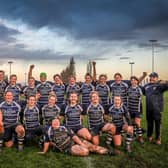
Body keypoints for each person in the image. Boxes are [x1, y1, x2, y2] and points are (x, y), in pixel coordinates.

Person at [38, 118, 109, 156]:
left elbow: (74, 136)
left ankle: (109, 152)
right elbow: (46, 143)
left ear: (59, 122)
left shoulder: (64, 127)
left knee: (94, 147)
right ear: (51, 124)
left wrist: (81, 143)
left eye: (57, 121)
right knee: (85, 151)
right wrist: (44, 152)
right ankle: (87, 149)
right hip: (68, 147)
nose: (56, 123)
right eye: (54, 122)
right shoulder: (48, 131)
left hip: (73, 141)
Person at [143, 72, 168, 145]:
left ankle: (158, 138)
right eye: (151, 77)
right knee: (149, 123)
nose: (152, 78)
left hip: (157, 109)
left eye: (153, 77)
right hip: (149, 108)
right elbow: (144, 93)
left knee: (157, 124)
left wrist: (165, 81)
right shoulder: (146, 86)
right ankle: (149, 136)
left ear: (157, 78)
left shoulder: (160, 85)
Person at [127, 76, 144, 144]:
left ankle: (140, 137)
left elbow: (141, 97)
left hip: (137, 109)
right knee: (132, 123)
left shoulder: (139, 89)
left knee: (137, 123)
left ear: (137, 81)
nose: (133, 81)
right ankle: (134, 135)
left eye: (134, 80)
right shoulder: (129, 89)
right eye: (132, 80)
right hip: (130, 109)